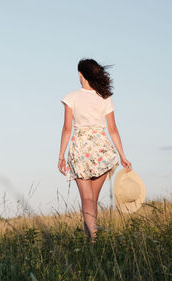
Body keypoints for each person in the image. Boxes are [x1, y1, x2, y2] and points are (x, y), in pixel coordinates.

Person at [58, 58, 131, 239]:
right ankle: (90, 242)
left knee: (87, 199)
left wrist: (60, 156)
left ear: (81, 75)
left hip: (80, 148)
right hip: (101, 148)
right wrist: (123, 156)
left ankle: (94, 239)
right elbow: (113, 129)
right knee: (92, 200)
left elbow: (67, 128)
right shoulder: (105, 97)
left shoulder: (71, 97)